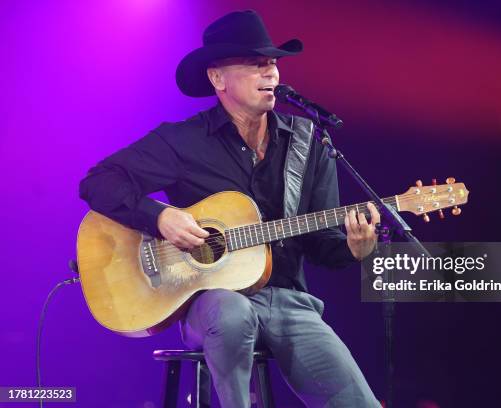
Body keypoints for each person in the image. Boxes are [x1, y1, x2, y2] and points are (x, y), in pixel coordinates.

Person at [79, 10, 381, 407]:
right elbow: (97, 182)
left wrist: (355, 249)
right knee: (233, 311)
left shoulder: (308, 142)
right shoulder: (182, 142)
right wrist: (159, 216)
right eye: (257, 64)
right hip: (209, 302)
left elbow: (322, 242)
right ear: (218, 78)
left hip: (288, 302)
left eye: (273, 63)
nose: (271, 73)